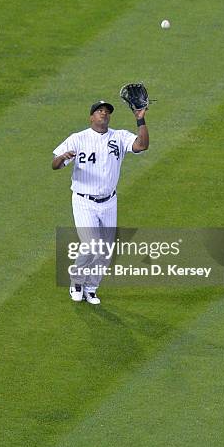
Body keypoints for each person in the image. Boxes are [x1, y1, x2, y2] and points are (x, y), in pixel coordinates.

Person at [52, 100, 149, 304]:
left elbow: (142, 145)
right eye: (99, 111)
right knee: (90, 244)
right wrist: (62, 157)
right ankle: (76, 282)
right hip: (84, 201)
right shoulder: (78, 139)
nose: (103, 114)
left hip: (109, 202)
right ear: (91, 117)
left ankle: (91, 288)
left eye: (106, 112)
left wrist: (140, 120)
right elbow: (55, 165)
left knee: (105, 250)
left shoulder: (120, 137)